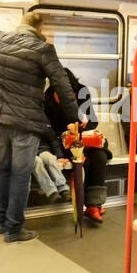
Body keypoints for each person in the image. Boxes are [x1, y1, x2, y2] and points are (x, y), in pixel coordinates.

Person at [0, 12, 79, 242]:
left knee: (3, 168)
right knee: (21, 174)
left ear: (21, 24)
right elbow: (62, 86)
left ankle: (1, 223)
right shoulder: (43, 50)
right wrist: (73, 116)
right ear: (40, 28)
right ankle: (14, 229)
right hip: (25, 121)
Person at [44, 67, 112, 224]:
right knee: (82, 160)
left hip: (83, 138)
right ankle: (82, 203)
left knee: (100, 156)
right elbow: (49, 127)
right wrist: (67, 129)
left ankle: (93, 205)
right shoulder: (48, 98)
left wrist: (82, 126)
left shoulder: (82, 92)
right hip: (63, 141)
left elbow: (93, 120)